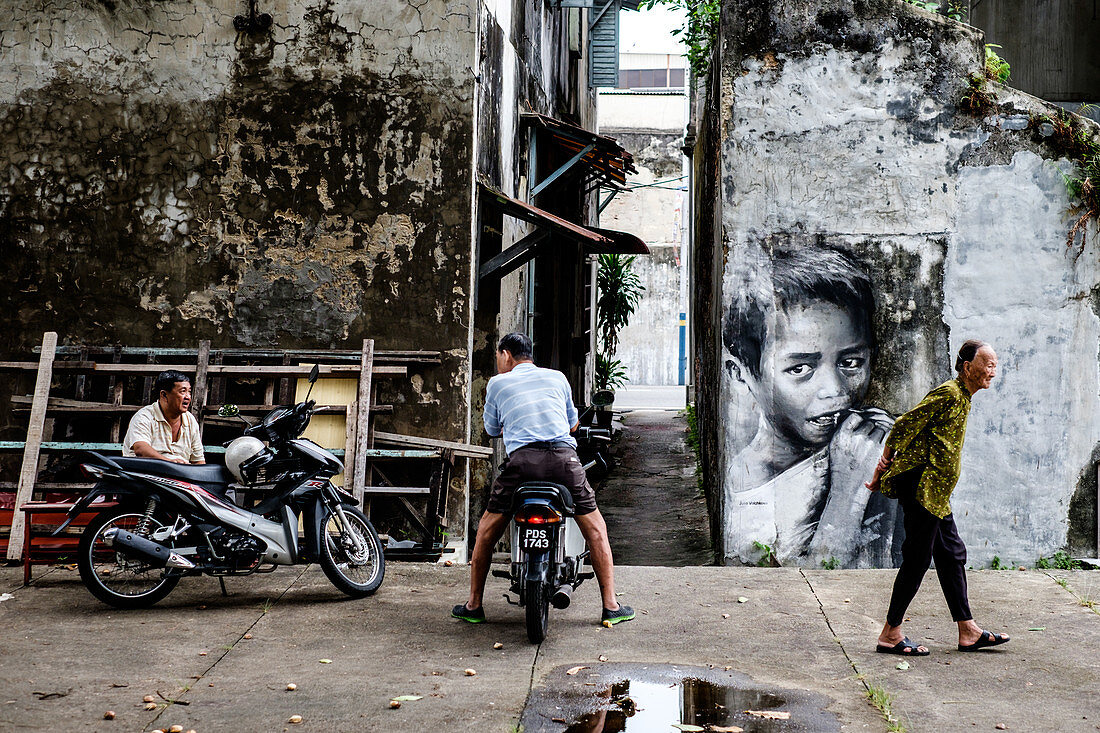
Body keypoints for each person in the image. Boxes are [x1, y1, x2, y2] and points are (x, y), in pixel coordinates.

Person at [722, 245, 899, 567]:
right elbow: (810, 593)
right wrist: (849, 490)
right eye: (800, 368)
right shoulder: (742, 498)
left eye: (851, 362)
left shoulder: (877, 444)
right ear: (742, 373)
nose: (834, 391)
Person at [452, 333, 633, 626]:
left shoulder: (498, 384)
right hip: (564, 462)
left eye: (498, 355)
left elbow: (492, 429)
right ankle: (611, 606)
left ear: (506, 354)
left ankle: (474, 605)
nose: (498, 361)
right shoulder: (557, 378)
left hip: (522, 465)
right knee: (597, 530)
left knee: (486, 532)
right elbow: (573, 423)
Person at [865, 340, 1009, 655]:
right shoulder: (948, 393)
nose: (992, 372)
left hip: (936, 493)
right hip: (922, 489)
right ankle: (890, 633)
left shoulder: (964, 398)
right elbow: (903, 425)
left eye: (995, 365)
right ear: (968, 366)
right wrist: (880, 468)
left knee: (952, 554)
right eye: (988, 364)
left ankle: (968, 631)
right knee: (917, 559)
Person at [122, 370, 205, 465]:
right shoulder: (144, 416)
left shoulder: (190, 420)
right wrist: (170, 463)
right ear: (164, 395)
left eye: (189, 392)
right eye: (183, 391)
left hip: (178, 476)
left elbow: (199, 461)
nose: (188, 397)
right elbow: (140, 449)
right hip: (145, 474)